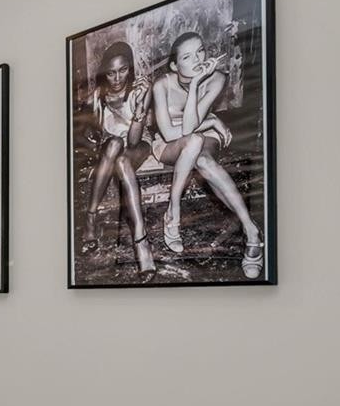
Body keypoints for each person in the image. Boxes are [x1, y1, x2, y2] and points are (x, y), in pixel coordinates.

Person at [150, 31, 263, 278]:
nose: (198, 59)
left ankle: (251, 230)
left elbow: (191, 127)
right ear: (174, 65)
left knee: (200, 154)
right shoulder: (161, 85)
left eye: (200, 51)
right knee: (193, 140)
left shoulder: (217, 78)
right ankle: (174, 208)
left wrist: (196, 86)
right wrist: (211, 120)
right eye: (187, 57)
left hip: (202, 135)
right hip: (170, 144)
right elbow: (169, 133)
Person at [78, 41, 155, 277]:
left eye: (123, 70)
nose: (117, 78)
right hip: (112, 148)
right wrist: (91, 140)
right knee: (115, 146)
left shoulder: (139, 91)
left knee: (122, 151)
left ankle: (138, 239)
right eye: (111, 73)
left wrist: (141, 106)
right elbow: (81, 132)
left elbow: (133, 140)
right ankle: (95, 220)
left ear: (130, 68)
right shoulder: (97, 97)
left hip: (138, 144)